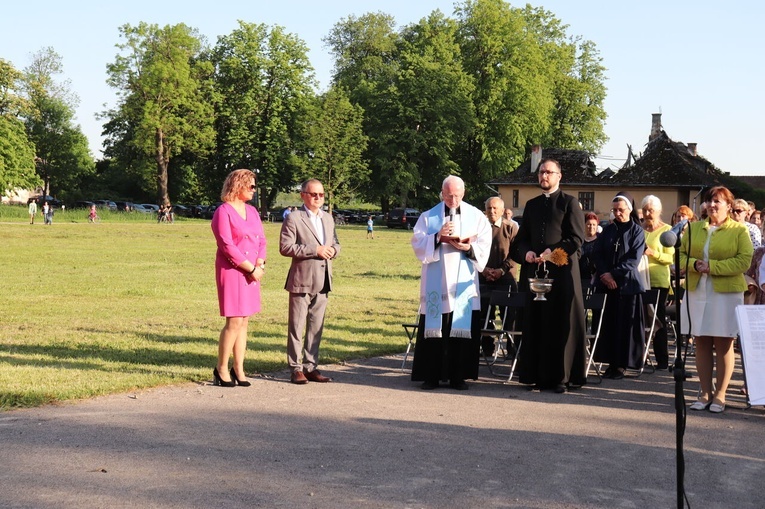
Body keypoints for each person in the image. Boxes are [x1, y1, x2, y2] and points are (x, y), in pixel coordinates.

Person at [511, 159, 587, 392]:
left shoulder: (570, 203)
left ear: (559, 176)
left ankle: (560, 379)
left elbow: (576, 241)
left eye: (549, 172)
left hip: (562, 276)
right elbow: (519, 242)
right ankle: (535, 375)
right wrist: (528, 254)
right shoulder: (531, 205)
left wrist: (551, 254)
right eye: (541, 172)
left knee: (559, 325)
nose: (544, 176)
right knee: (536, 324)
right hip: (535, 275)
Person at [411, 175, 492, 390]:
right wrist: (436, 237)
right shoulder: (428, 217)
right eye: (448, 195)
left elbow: (485, 242)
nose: (452, 200)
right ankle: (431, 376)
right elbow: (417, 243)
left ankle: (459, 376)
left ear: (463, 193)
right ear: (442, 193)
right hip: (436, 283)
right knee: (436, 328)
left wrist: (469, 248)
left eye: (456, 195)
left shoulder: (476, 216)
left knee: (460, 329)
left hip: (463, 283)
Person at [680, 186, 753, 413]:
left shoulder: (739, 231)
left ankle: (720, 394)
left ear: (729, 207)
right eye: (710, 201)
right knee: (701, 341)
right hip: (697, 290)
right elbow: (680, 255)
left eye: (718, 201)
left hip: (725, 293)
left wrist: (713, 268)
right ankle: (704, 392)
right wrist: (693, 265)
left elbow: (744, 261)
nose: (712, 205)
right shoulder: (693, 228)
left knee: (723, 343)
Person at [280, 179, 340, 385]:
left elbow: (336, 243)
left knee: (316, 327)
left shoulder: (328, 218)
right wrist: (315, 250)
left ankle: (311, 366)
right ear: (303, 195)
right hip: (301, 280)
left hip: (324, 281)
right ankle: (296, 368)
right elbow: (285, 247)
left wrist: (334, 251)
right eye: (314, 194)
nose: (318, 198)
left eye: (321, 195)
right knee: (296, 326)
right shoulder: (294, 218)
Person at [210, 169, 267, 388]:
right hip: (233, 271)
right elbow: (226, 245)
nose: (254, 190)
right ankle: (222, 368)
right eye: (251, 186)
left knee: (244, 321)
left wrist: (260, 264)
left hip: (253, 272)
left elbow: (262, 240)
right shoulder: (223, 212)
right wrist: (250, 268)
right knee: (234, 320)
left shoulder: (252, 211)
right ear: (238, 185)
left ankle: (239, 368)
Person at [592, 191, 646, 379]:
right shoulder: (608, 229)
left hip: (627, 286)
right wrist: (605, 274)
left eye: (620, 210)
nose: (617, 213)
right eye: (614, 210)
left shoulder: (637, 231)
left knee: (624, 327)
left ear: (629, 210)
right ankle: (609, 362)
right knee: (608, 325)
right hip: (607, 285)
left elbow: (633, 259)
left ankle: (622, 364)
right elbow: (597, 253)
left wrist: (613, 273)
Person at [479, 196, 519, 357]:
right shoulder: (478, 228)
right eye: (489, 208)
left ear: (503, 211)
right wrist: (483, 270)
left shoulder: (511, 228)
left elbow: (516, 253)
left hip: (506, 278)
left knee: (509, 316)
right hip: (483, 277)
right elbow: (472, 250)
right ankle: (487, 348)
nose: (492, 211)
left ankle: (512, 349)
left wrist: (501, 270)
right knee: (483, 316)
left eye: (495, 208)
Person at [641, 195, 673, 370]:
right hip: (641, 279)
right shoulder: (639, 229)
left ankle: (662, 360)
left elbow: (670, 258)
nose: (647, 213)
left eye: (651, 210)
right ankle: (641, 356)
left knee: (658, 319)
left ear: (659, 211)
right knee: (641, 319)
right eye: (645, 210)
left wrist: (654, 253)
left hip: (659, 281)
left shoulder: (667, 231)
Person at [580, 212, 600, 292]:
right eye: (588, 224)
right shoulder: (579, 241)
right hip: (581, 277)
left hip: (595, 279)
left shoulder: (600, 241)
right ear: (584, 225)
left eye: (594, 224)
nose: (591, 227)